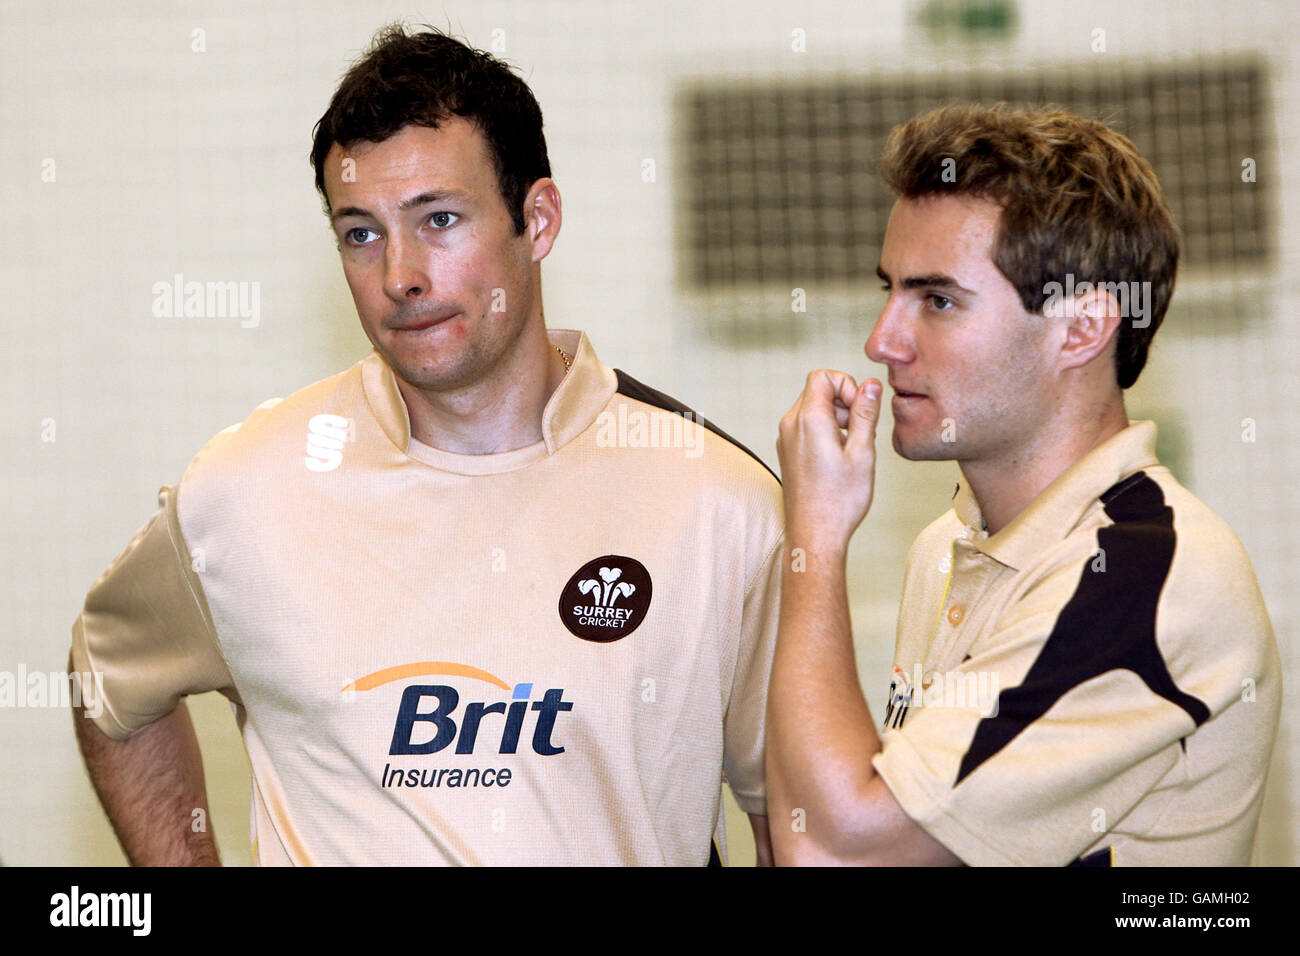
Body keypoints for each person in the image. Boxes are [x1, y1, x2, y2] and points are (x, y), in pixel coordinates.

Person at [70, 24, 780, 866]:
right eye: (360, 233)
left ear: (538, 219)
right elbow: (104, 682)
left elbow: (795, 816)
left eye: (438, 220)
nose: (399, 275)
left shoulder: (717, 498)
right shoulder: (243, 492)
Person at [767, 105, 1280, 866]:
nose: (882, 340)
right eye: (891, 290)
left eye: (936, 299)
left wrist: (814, 536)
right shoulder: (945, 549)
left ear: (1081, 328)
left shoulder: (1150, 574)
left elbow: (837, 853)